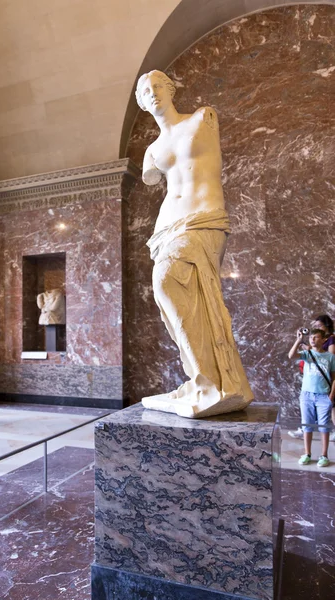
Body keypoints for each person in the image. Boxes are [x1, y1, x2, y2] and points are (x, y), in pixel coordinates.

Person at [135, 70, 253, 418]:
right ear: (142, 102)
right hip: (168, 226)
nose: (153, 92)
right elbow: (156, 179)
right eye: (145, 91)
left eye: (158, 85)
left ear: (171, 89)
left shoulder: (203, 118)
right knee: (174, 298)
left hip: (203, 218)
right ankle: (208, 380)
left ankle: (209, 383)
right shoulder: (152, 152)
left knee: (166, 281)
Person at [288, 328, 335, 467]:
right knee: (306, 425)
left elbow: (334, 378)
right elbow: (291, 356)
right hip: (306, 395)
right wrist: (298, 340)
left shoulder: (330, 357)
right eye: (311, 338)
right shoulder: (307, 354)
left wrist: (331, 396)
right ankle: (307, 453)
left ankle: (324, 455)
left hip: (323, 396)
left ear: (323, 340)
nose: (312, 340)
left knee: (324, 426)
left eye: (316, 337)